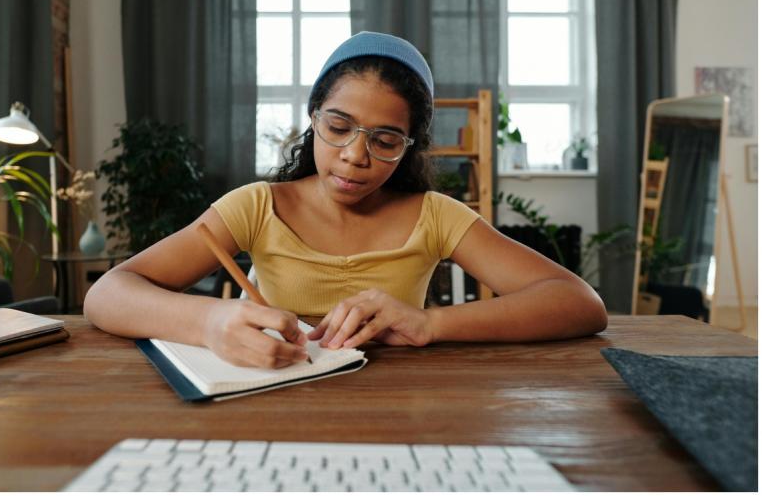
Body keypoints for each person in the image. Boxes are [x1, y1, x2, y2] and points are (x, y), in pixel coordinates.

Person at [84, 31, 607, 369]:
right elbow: (108, 294)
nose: (355, 156)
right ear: (313, 119)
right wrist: (209, 321)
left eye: (384, 140)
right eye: (338, 128)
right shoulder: (258, 206)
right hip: (267, 398)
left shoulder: (436, 217)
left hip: (401, 409)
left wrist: (431, 324)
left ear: (408, 148)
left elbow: (579, 304)